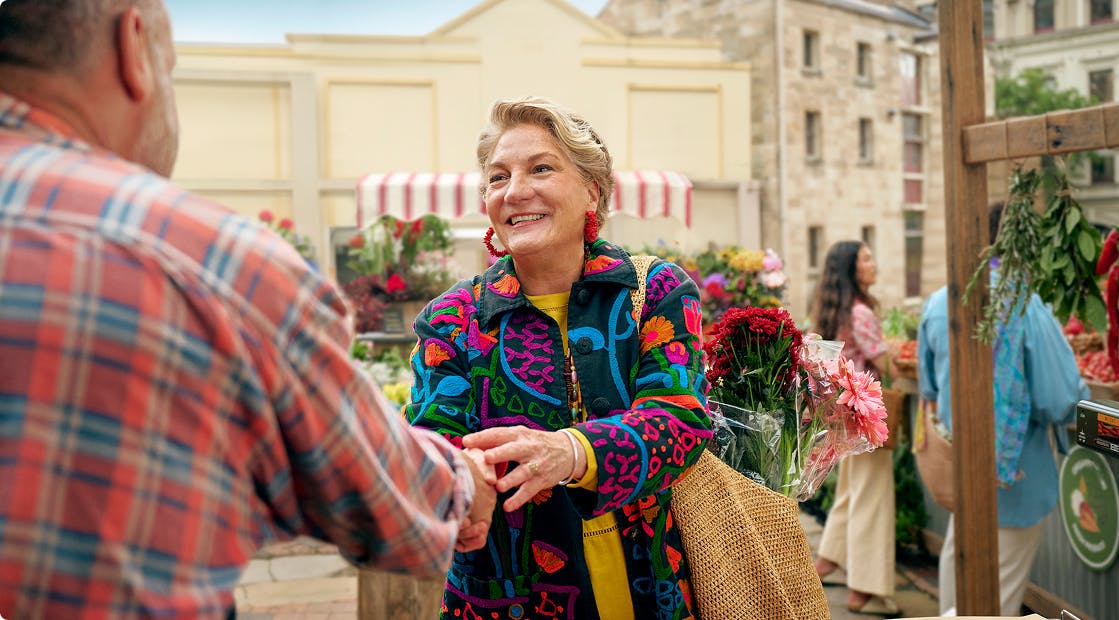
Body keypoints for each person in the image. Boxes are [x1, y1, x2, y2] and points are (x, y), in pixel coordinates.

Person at [0, 1, 495, 617]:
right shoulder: (204, 260)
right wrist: (465, 480)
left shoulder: (648, 290)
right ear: (134, 48)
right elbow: (380, 494)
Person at [405, 96, 712, 619]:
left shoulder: (653, 290)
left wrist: (570, 452)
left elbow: (681, 419)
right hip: (506, 598)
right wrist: (458, 493)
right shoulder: (452, 318)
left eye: (541, 168)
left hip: (648, 588)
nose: (515, 190)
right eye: (498, 177)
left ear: (592, 189)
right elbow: (430, 444)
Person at [917, 202, 1087, 616]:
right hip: (1017, 480)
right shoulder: (1024, 305)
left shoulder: (940, 302)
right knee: (993, 607)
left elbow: (930, 388)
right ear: (1022, 245)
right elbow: (1061, 397)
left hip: (963, 476)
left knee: (956, 602)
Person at [810, 240, 900, 617]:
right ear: (852, 269)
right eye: (866, 257)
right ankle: (864, 588)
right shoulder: (861, 312)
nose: (873, 263)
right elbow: (884, 363)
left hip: (843, 414)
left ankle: (829, 559)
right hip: (867, 416)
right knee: (873, 495)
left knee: (852, 488)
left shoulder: (836, 310)